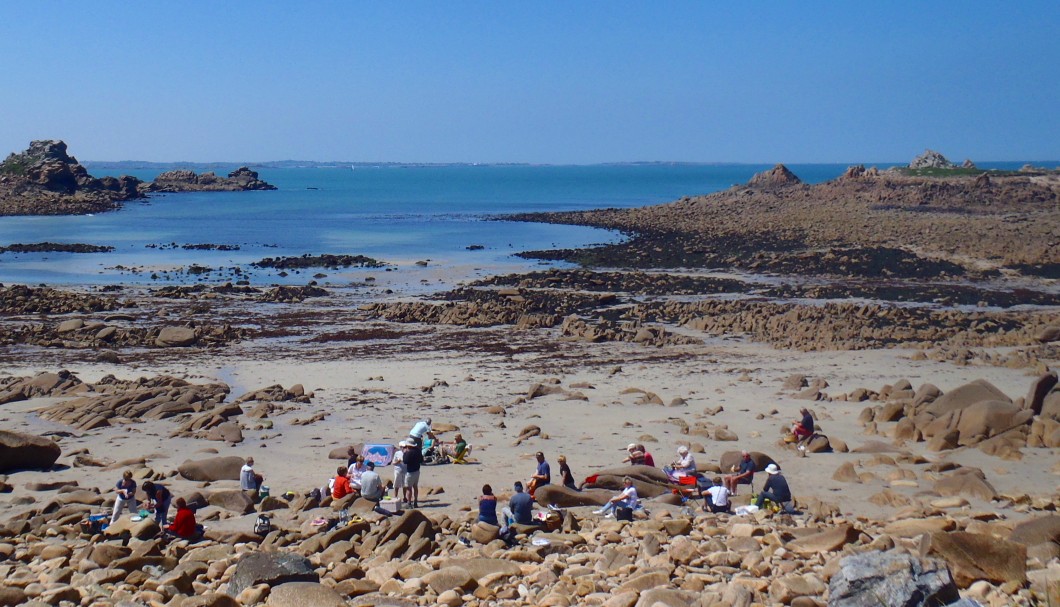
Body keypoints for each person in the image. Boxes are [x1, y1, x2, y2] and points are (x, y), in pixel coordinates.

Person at [404, 439, 423, 508]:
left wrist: (405, 453)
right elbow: (421, 460)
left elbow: (405, 461)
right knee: (415, 487)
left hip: (410, 472)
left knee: (409, 488)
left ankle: (409, 503)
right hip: (417, 471)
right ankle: (415, 502)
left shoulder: (409, 452)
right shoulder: (418, 451)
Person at [393, 440, 407, 505]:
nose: (404, 448)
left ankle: (405, 497)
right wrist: (398, 461)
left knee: (405, 485)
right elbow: (393, 463)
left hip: (405, 470)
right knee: (396, 484)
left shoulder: (407, 453)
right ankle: (395, 497)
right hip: (398, 470)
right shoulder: (397, 453)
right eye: (403, 447)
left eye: (405, 447)